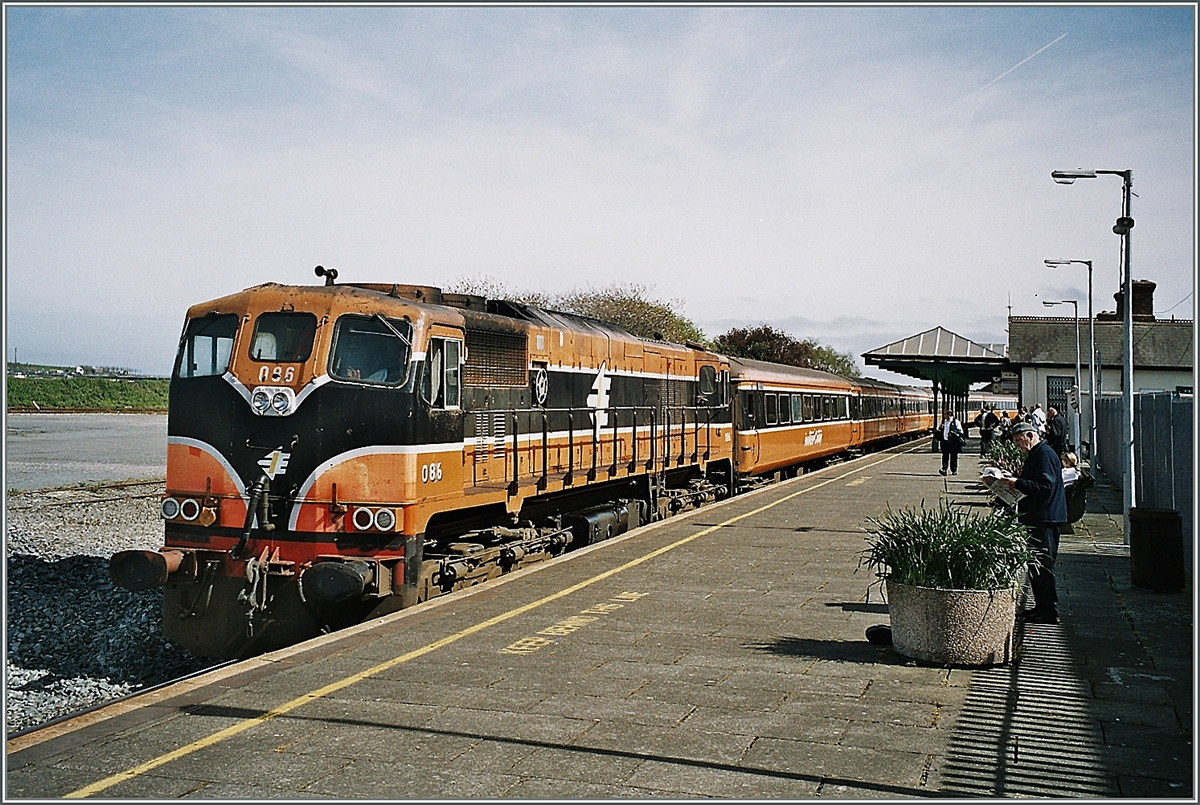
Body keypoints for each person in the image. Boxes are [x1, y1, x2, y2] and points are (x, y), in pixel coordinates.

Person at [1000, 422, 1067, 624]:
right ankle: (1041, 607)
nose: (1018, 446)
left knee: (1043, 566)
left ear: (1030, 435)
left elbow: (1045, 486)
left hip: (1045, 518)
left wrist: (1017, 483)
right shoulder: (1039, 453)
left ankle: (1048, 611)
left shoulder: (1044, 454)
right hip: (1039, 517)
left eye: (1020, 441)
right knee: (1037, 566)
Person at [938, 410, 965, 476]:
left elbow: (960, 431)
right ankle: (944, 469)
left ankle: (954, 469)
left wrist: (953, 433)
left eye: (945, 415)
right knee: (945, 456)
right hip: (945, 441)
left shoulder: (956, 422)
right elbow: (938, 429)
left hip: (953, 442)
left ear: (949, 415)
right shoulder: (942, 421)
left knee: (953, 456)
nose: (944, 416)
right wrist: (940, 428)